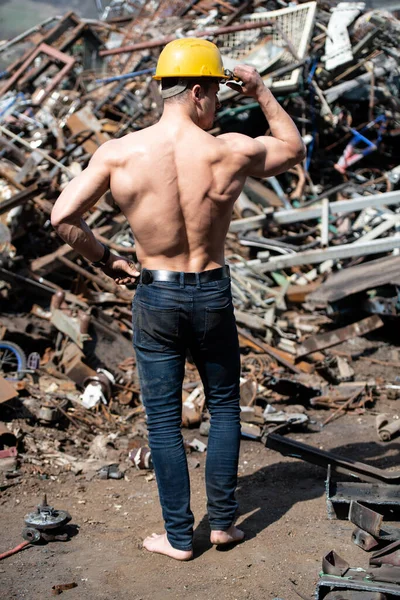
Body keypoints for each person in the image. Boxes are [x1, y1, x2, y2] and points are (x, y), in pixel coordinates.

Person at [51, 38, 306, 561]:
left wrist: (108, 260)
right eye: (215, 96)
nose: (217, 107)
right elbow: (293, 147)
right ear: (197, 93)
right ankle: (223, 525)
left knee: (164, 421)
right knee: (225, 409)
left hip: (156, 293)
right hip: (211, 292)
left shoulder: (120, 153)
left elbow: (62, 218)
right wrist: (259, 89)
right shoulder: (229, 150)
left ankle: (177, 535)